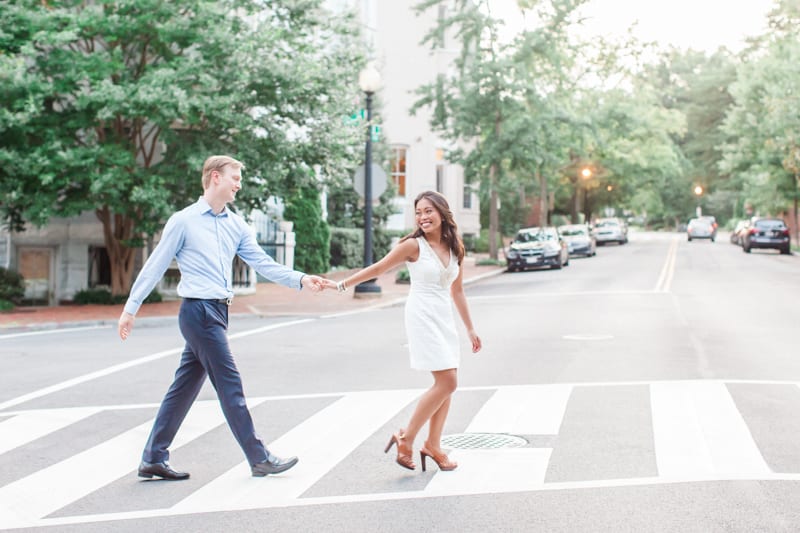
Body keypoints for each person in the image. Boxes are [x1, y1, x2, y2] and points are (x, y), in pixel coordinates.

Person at [118, 155, 334, 480]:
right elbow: (155, 265)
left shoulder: (236, 224)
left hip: (218, 311)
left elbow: (262, 263)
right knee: (230, 384)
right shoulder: (184, 221)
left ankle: (153, 456)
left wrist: (301, 279)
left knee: (183, 388)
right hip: (197, 311)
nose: (239, 184)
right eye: (235, 177)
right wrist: (130, 308)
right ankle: (258, 457)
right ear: (215, 177)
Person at [335, 190, 481, 471]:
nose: (423, 217)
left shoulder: (455, 248)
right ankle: (407, 438)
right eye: (418, 212)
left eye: (428, 211)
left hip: (443, 317)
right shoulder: (413, 246)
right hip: (421, 315)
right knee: (448, 382)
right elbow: (378, 268)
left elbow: (458, 291)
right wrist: (342, 284)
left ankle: (434, 446)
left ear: (441, 212)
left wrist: (470, 329)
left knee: (446, 385)